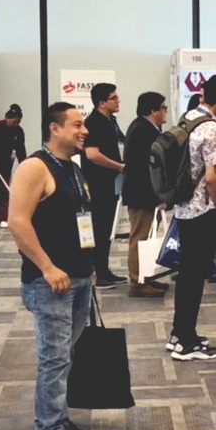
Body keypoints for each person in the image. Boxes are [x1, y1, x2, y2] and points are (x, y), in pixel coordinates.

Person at [10, 102, 98, 430]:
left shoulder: (72, 167)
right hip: (50, 282)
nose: (84, 130)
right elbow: (18, 222)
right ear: (54, 128)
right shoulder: (35, 167)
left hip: (78, 276)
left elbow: (80, 220)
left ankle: (58, 418)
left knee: (66, 354)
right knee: (54, 357)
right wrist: (46, 267)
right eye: (77, 124)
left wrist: (89, 267)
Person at [168, 73, 216, 361]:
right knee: (195, 277)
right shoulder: (211, 128)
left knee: (187, 274)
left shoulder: (187, 119)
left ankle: (179, 333)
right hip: (202, 211)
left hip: (183, 207)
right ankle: (186, 342)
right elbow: (211, 178)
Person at [122, 91, 169, 298]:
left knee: (146, 237)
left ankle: (145, 276)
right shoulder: (142, 130)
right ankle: (137, 281)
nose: (165, 111)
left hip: (144, 193)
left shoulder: (146, 128)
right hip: (141, 194)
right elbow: (144, 168)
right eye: (163, 107)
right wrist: (157, 196)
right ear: (153, 110)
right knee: (140, 238)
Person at [82, 82, 128, 288]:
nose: (118, 101)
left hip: (111, 184)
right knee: (99, 229)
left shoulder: (111, 122)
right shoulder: (94, 123)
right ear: (102, 102)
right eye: (114, 98)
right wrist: (118, 166)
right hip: (97, 184)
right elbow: (92, 154)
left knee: (107, 229)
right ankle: (97, 273)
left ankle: (104, 269)